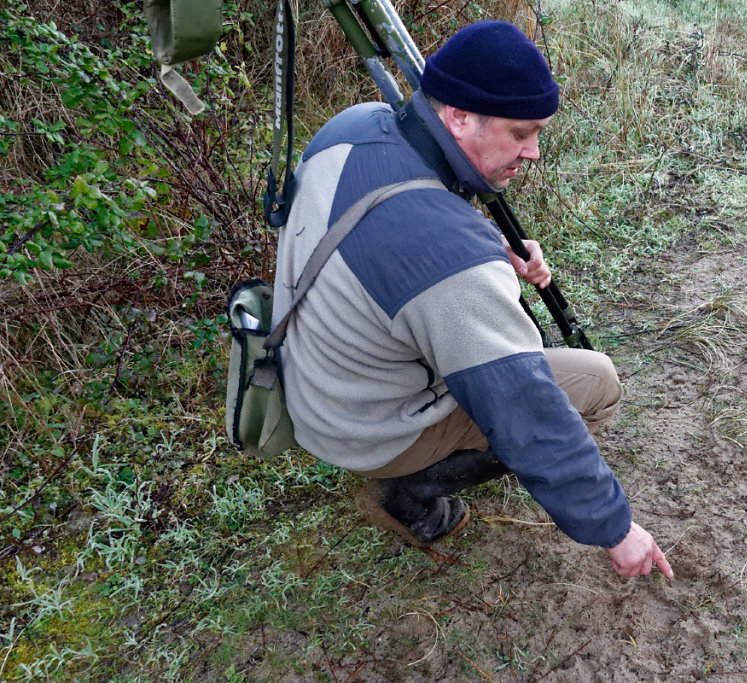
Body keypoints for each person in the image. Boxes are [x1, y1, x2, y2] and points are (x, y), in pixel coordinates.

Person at [272, 20, 673, 579]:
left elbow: (394, 235)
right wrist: (615, 527)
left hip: (313, 383)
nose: (533, 152)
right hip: (368, 429)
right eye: (521, 133)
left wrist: (485, 252)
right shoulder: (449, 256)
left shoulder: (356, 124)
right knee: (596, 383)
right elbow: (525, 406)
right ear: (459, 116)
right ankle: (409, 491)